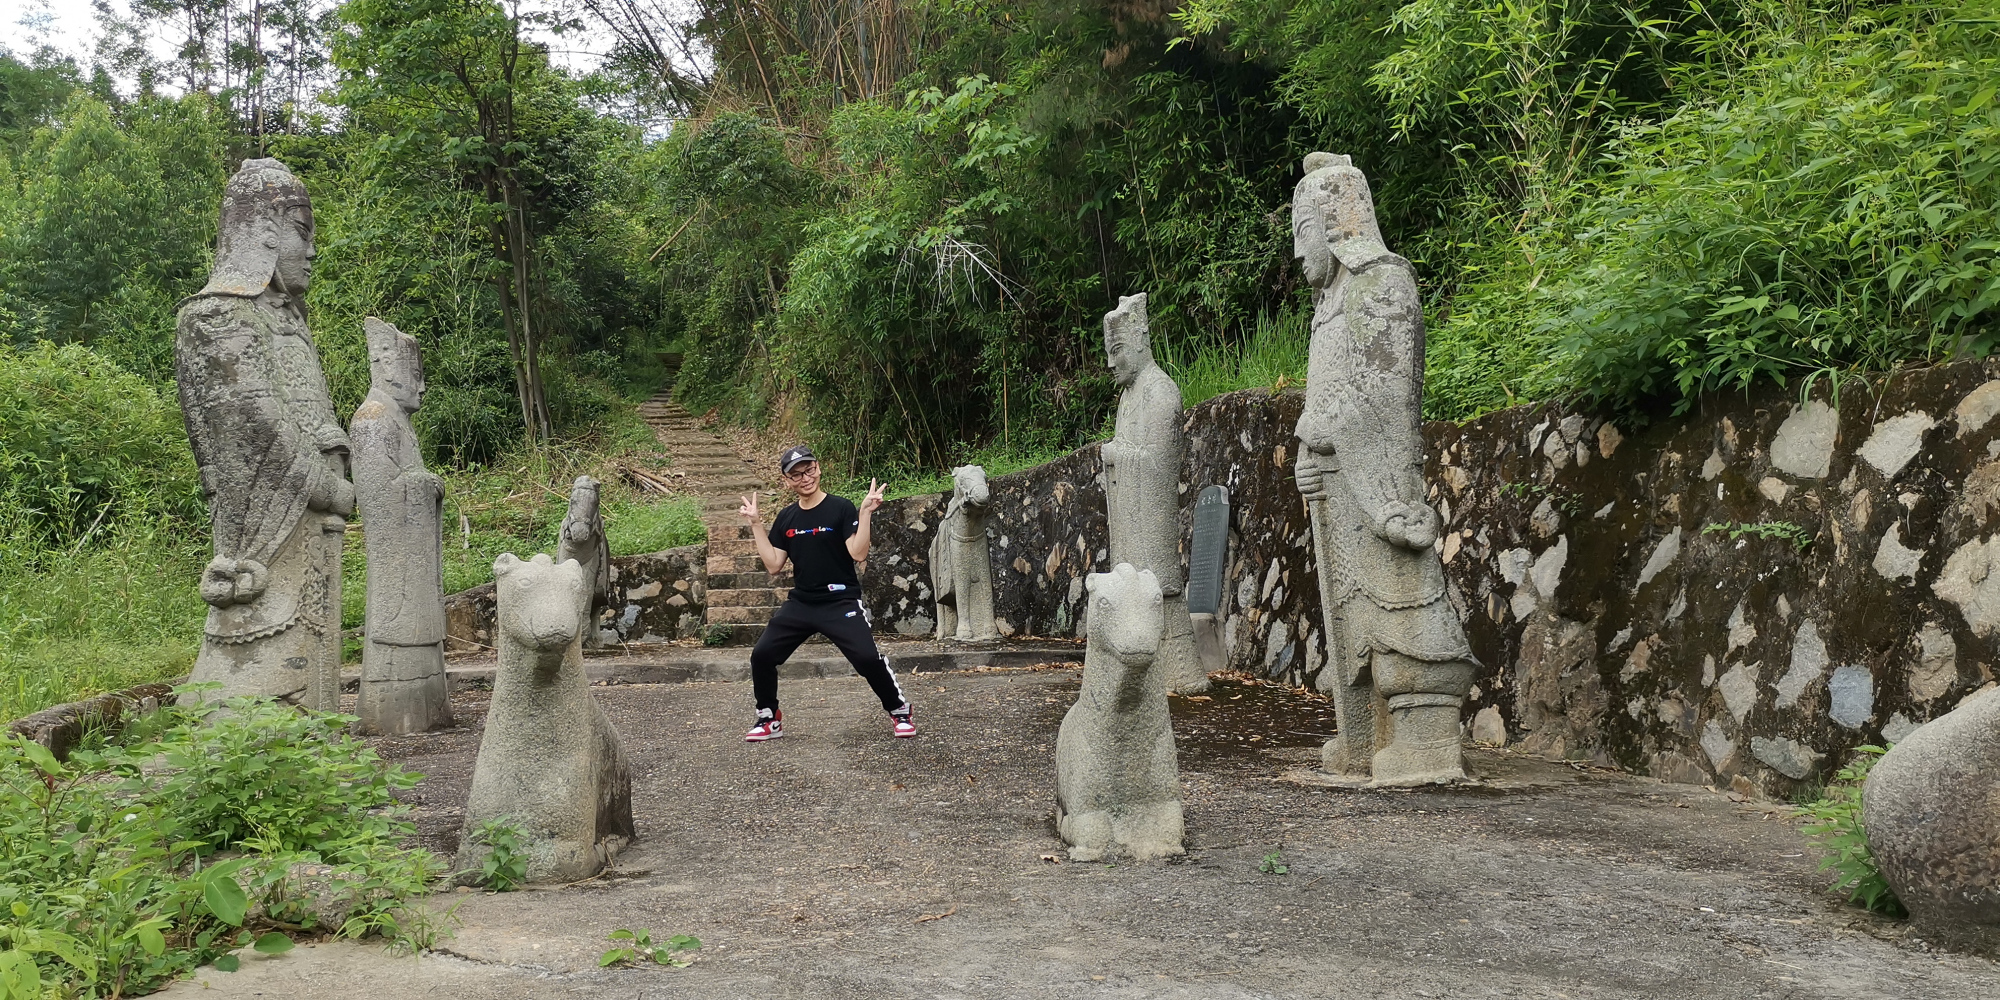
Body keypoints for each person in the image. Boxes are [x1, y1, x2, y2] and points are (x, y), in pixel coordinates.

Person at [738, 446, 913, 741]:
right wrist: (756, 524)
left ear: (818, 468)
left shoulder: (841, 508)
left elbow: (858, 553)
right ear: (786, 481)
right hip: (802, 603)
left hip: (840, 600)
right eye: (796, 475)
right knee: (762, 655)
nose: (805, 478)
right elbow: (774, 565)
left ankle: (899, 710)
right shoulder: (787, 517)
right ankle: (768, 718)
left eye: (809, 470)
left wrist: (865, 512)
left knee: (867, 658)